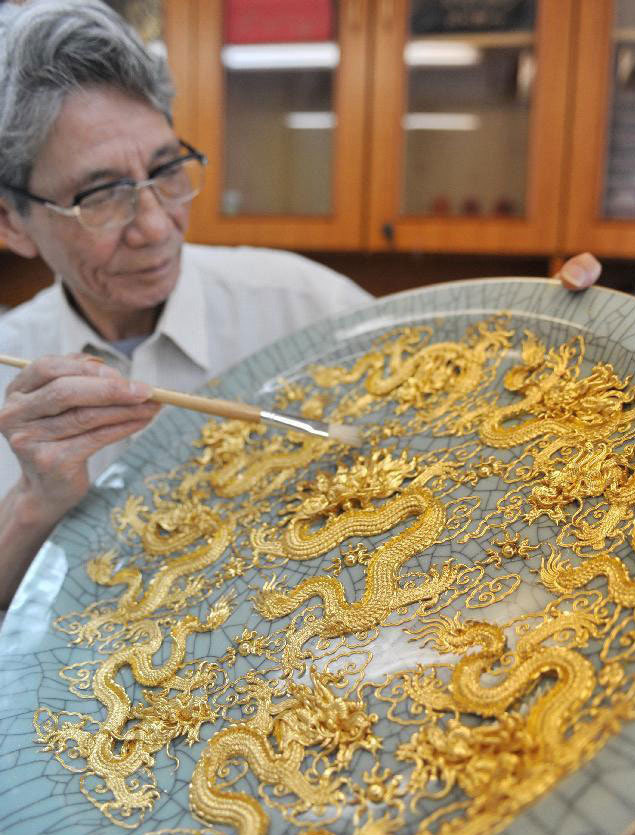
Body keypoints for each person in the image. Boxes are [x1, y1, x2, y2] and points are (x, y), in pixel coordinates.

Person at [0, 0, 601, 611]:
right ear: (11, 221)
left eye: (167, 170)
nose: (156, 226)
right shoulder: (12, 373)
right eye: (102, 195)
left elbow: (465, 437)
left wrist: (564, 340)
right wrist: (33, 502)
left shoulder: (305, 307)